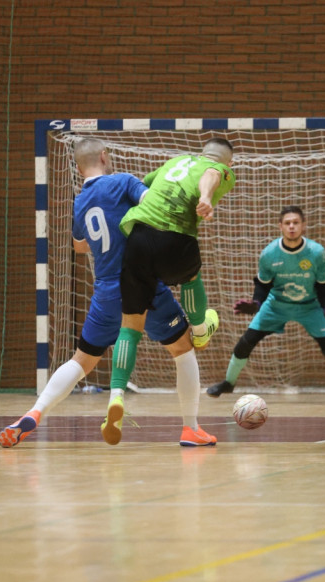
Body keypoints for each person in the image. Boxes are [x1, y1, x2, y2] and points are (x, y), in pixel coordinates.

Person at [0, 137, 212, 448]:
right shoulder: (122, 182)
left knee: (81, 361)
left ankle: (34, 411)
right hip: (141, 285)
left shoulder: (80, 201)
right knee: (183, 350)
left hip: (105, 292)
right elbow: (155, 204)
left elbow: (79, 245)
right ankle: (191, 429)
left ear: (77, 165)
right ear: (104, 156)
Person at [102, 138, 236, 446]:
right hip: (174, 237)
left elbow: (145, 186)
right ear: (228, 162)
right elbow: (211, 175)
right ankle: (201, 331)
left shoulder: (174, 162)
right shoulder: (219, 168)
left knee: (130, 326)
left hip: (137, 238)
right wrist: (205, 197)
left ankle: (116, 395)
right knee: (191, 276)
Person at [206, 206, 325, 403]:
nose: (291, 227)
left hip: (310, 306)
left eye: (296, 223)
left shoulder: (316, 252)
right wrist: (256, 303)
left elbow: (324, 286)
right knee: (245, 343)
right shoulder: (269, 253)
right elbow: (263, 285)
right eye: (287, 223)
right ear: (280, 226)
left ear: (303, 226)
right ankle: (228, 383)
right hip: (276, 305)